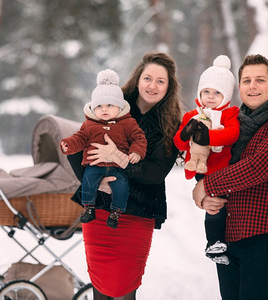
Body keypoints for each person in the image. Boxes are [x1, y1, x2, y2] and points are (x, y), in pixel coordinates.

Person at [192, 54, 268, 299]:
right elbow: (218, 165)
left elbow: (255, 169)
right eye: (246, 81)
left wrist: (206, 186)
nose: (252, 86)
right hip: (227, 236)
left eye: (260, 80)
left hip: (264, 237)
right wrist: (206, 196)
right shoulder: (234, 127)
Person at [67, 51, 182, 299]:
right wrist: (95, 183)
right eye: (148, 78)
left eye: (160, 81)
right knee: (99, 284)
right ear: (138, 79)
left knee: (124, 288)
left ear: (168, 87)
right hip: (99, 213)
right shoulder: (110, 105)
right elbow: (76, 149)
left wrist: (121, 160)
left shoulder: (171, 124)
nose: (152, 85)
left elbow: (155, 173)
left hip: (138, 216)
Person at [173, 55, 240, 265]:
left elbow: (232, 134)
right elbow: (179, 144)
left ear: (226, 95)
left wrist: (208, 136)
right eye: (206, 92)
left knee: (217, 205)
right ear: (199, 92)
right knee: (214, 205)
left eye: (217, 93)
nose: (211, 97)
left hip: (221, 170)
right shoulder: (191, 116)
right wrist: (186, 134)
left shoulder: (231, 114)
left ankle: (216, 242)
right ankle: (214, 242)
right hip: (201, 169)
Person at [60, 69, 147, 229]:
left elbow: (138, 138)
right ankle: (88, 207)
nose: (104, 109)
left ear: (120, 107)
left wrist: (136, 151)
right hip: (94, 164)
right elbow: (79, 139)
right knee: (88, 181)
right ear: (93, 108)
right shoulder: (89, 125)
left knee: (121, 185)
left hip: (117, 166)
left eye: (109, 105)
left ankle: (116, 212)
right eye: (99, 106)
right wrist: (68, 144)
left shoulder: (128, 123)